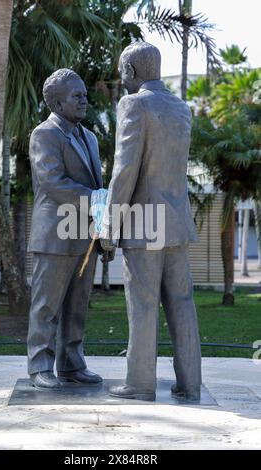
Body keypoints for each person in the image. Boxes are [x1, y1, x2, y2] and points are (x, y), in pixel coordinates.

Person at [100, 43, 202, 402]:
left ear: (130, 71)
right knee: (182, 303)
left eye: (121, 71)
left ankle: (140, 384)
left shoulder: (134, 104)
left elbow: (125, 172)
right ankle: (190, 385)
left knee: (143, 305)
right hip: (177, 224)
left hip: (145, 224)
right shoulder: (180, 107)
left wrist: (108, 228)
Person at [27, 68, 112, 390]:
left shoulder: (88, 137)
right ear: (57, 102)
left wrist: (103, 230)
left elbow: (98, 187)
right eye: (77, 96)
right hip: (54, 233)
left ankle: (72, 365)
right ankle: (39, 367)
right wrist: (95, 198)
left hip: (84, 234)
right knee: (46, 305)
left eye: (84, 95)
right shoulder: (44, 134)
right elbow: (52, 182)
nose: (84, 100)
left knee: (77, 306)